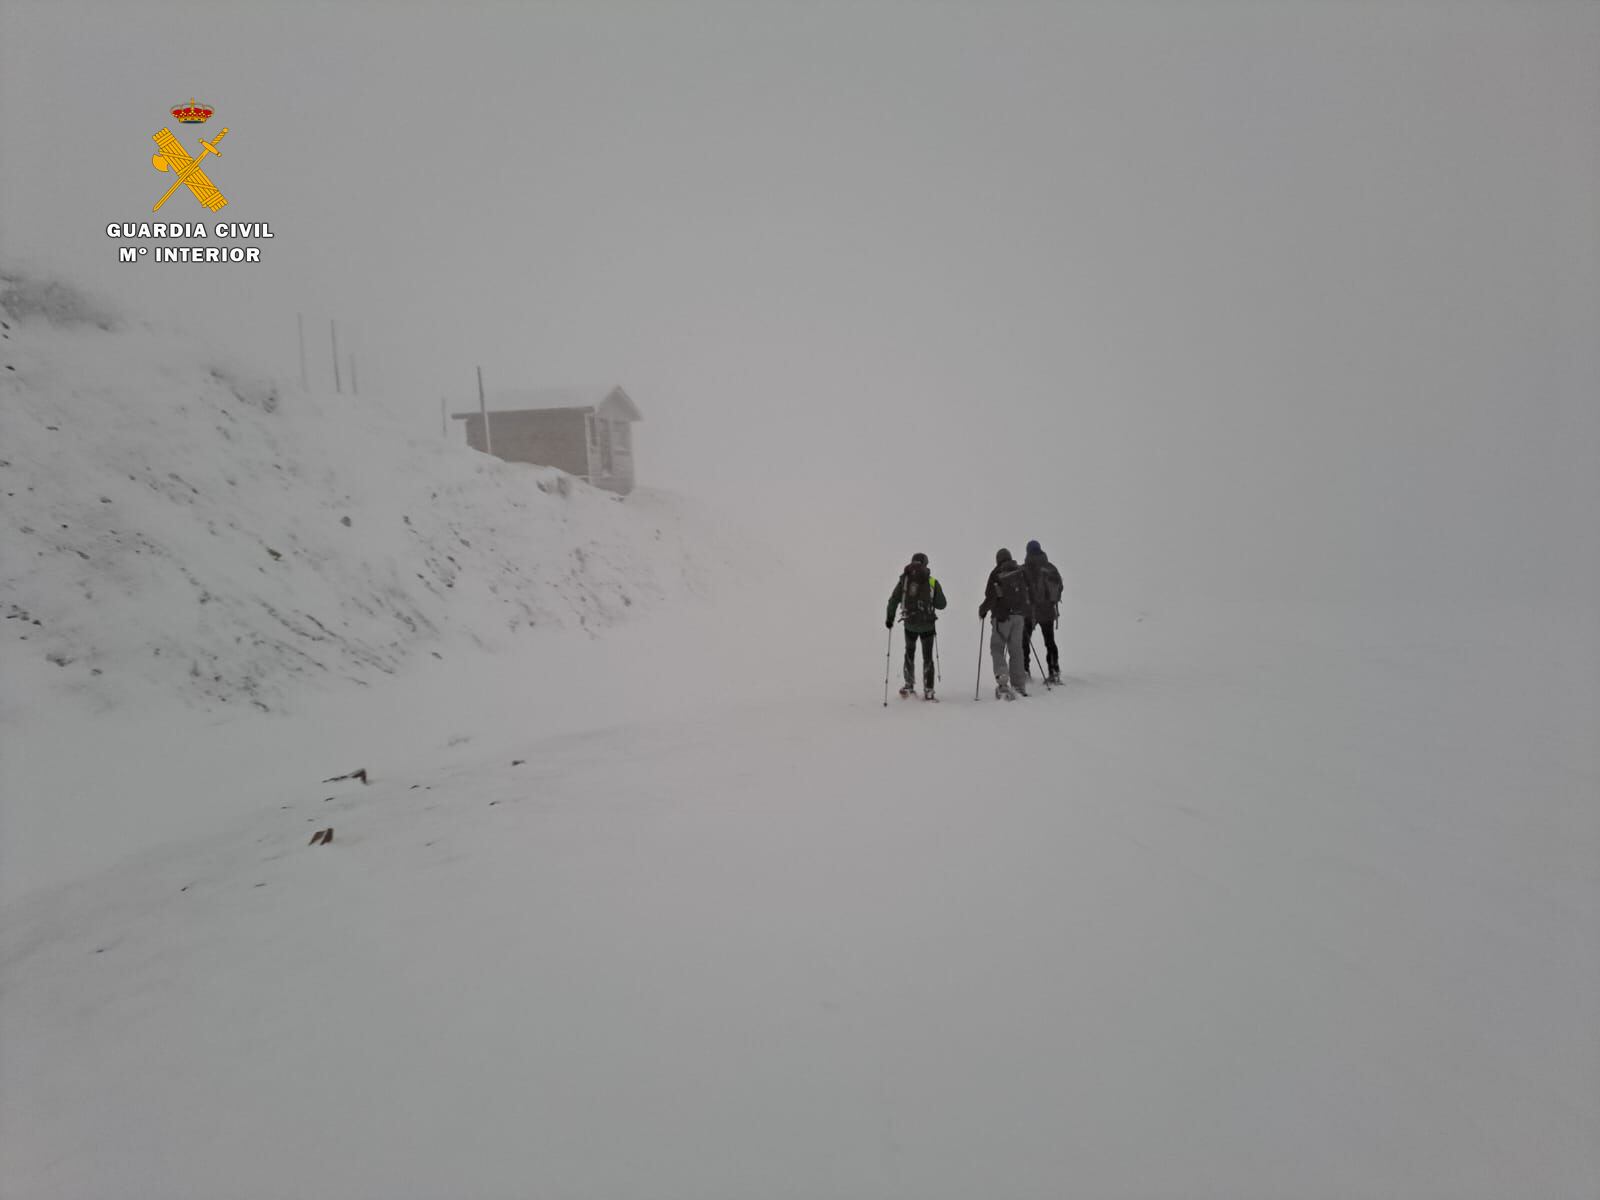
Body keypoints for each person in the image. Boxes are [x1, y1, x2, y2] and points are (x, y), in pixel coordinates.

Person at [885, 552, 947, 699]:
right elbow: (942, 604)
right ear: (925, 564)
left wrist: (890, 618)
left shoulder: (904, 581)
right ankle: (929, 690)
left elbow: (893, 600)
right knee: (927, 657)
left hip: (910, 625)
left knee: (909, 653)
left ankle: (908, 685)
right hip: (927, 627)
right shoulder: (932, 582)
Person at [978, 547, 1032, 699]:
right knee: (1016, 650)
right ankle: (1019, 685)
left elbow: (990, 596)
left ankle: (1003, 681)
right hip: (1019, 617)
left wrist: (982, 610)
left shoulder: (996, 573)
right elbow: (1028, 592)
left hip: (1001, 618)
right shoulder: (1020, 571)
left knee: (997, 647)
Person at [1022, 539, 1065, 685]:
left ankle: (1024, 670)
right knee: (1050, 642)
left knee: (1024, 642)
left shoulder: (1026, 568)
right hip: (1047, 612)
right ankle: (1054, 671)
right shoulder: (1050, 567)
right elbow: (1060, 587)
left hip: (1030, 612)